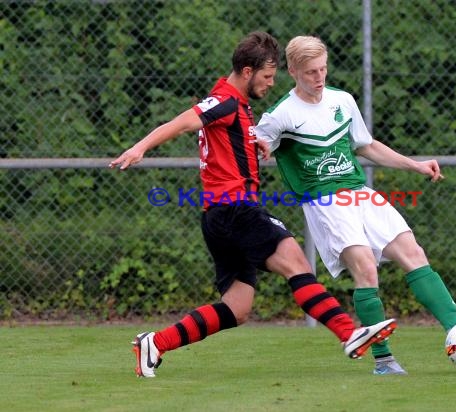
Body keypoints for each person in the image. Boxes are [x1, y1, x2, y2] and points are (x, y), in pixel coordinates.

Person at [109, 31, 396, 378]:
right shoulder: (226, 100)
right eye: (267, 76)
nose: (272, 83)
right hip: (235, 210)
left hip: (217, 217)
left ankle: (155, 343)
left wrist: (253, 145)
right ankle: (349, 334)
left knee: (238, 307)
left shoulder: (239, 109)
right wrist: (140, 147)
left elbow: (223, 142)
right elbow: (184, 121)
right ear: (247, 71)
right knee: (296, 262)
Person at [255, 35, 456, 376]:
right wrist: (252, 155)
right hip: (324, 202)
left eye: (323, 69)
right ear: (292, 71)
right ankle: (384, 360)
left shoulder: (342, 101)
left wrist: (416, 164)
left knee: (413, 253)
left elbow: (366, 146)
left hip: (359, 193)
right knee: (366, 269)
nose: (319, 77)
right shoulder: (280, 115)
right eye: (311, 72)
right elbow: (251, 149)